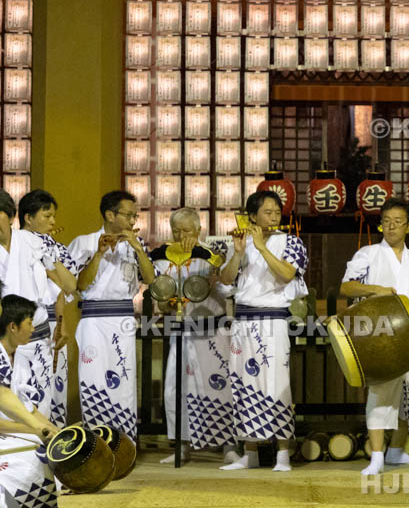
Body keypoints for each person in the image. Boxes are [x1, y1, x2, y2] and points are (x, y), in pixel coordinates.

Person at [339, 198, 409, 476]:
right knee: (380, 392)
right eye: (386, 220)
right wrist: (377, 289)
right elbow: (346, 287)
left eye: (398, 221)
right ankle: (376, 456)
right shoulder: (368, 255)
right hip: (380, 332)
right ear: (380, 225)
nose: (391, 226)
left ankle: (397, 451)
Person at [218, 191, 307, 473]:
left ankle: (283, 454)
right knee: (243, 384)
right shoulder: (240, 241)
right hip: (243, 319)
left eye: (277, 211)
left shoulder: (290, 241)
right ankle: (250, 453)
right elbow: (225, 280)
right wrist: (240, 253)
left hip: (273, 320)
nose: (273, 216)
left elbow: (287, 275)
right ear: (252, 215)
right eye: (267, 212)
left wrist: (262, 247)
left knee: (276, 383)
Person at [149, 208, 237, 465]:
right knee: (177, 388)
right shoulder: (164, 258)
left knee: (219, 386)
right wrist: (167, 303)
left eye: (186, 230)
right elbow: (161, 303)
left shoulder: (210, 256)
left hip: (212, 329)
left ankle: (228, 446)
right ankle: (182, 445)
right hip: (182, 329)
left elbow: (227, 288)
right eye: (176, 230)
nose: (181, 235)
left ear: (198, 231)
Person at [69, 190, 156, 441]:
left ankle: (124, 443)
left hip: (123, 318)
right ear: (109, 214)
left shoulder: (135, 245)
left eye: (134, 216)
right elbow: (78, 286)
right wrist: (98, 253)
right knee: (93, 380)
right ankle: (97, 444)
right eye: (128, 215)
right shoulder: (83, 242)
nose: (132, 221)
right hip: (94, 319)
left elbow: (150, 280)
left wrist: (138, 248)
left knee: (124, 379)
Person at [0, 190, 77, 428]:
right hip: (6, 340)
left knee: (40, 404)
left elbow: (66, 286)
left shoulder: (33, 241)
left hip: (38, 335)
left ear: (10, 215)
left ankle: (44, 458)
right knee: (10, 408)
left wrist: (61, 321)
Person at [0, 295, 61, 508]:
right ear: (13, 327)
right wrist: (34, 429)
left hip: (9, 434)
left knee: (41, 452)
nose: (33, 328)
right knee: (36, 453)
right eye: (29, 322)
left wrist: (55, 431)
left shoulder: (19, 360)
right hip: (5, 434)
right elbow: (3, 396)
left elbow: (28, 408)